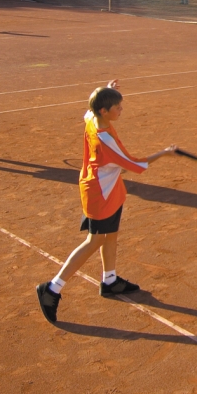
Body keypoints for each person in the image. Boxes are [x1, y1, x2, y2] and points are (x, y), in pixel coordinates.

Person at [35, 82, 177, 323]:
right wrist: (164, 152)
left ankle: (109, 280)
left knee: (111, 235)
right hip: (100, 194)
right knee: (94, 241)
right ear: (104, 111)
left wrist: (106, 89)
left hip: (108, 190)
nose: (121, 110)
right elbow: (137, 165)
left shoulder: (92, 117)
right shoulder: (105, 141)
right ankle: (52, 288)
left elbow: (89, 109)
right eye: (117, 107)